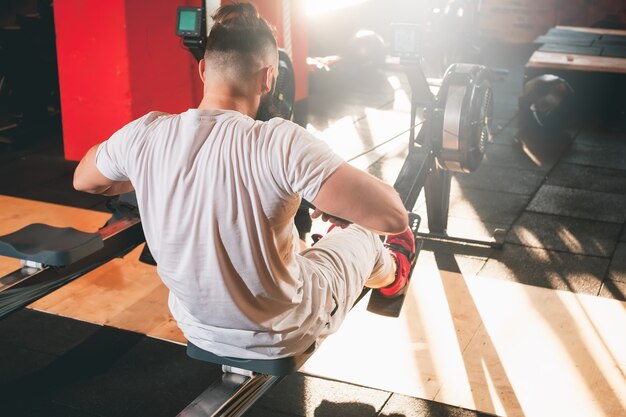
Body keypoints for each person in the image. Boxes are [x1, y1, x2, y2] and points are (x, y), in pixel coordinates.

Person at [73, 3, 415, 360]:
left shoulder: (144, 134)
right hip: (284, 332)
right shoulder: (281, 142)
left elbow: (84, 181)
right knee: (366, 236)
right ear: (269, 78)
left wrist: (150, 176)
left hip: (197, 328)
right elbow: (392, 217)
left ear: (203, 70)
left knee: (291, 246)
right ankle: (394, 276)